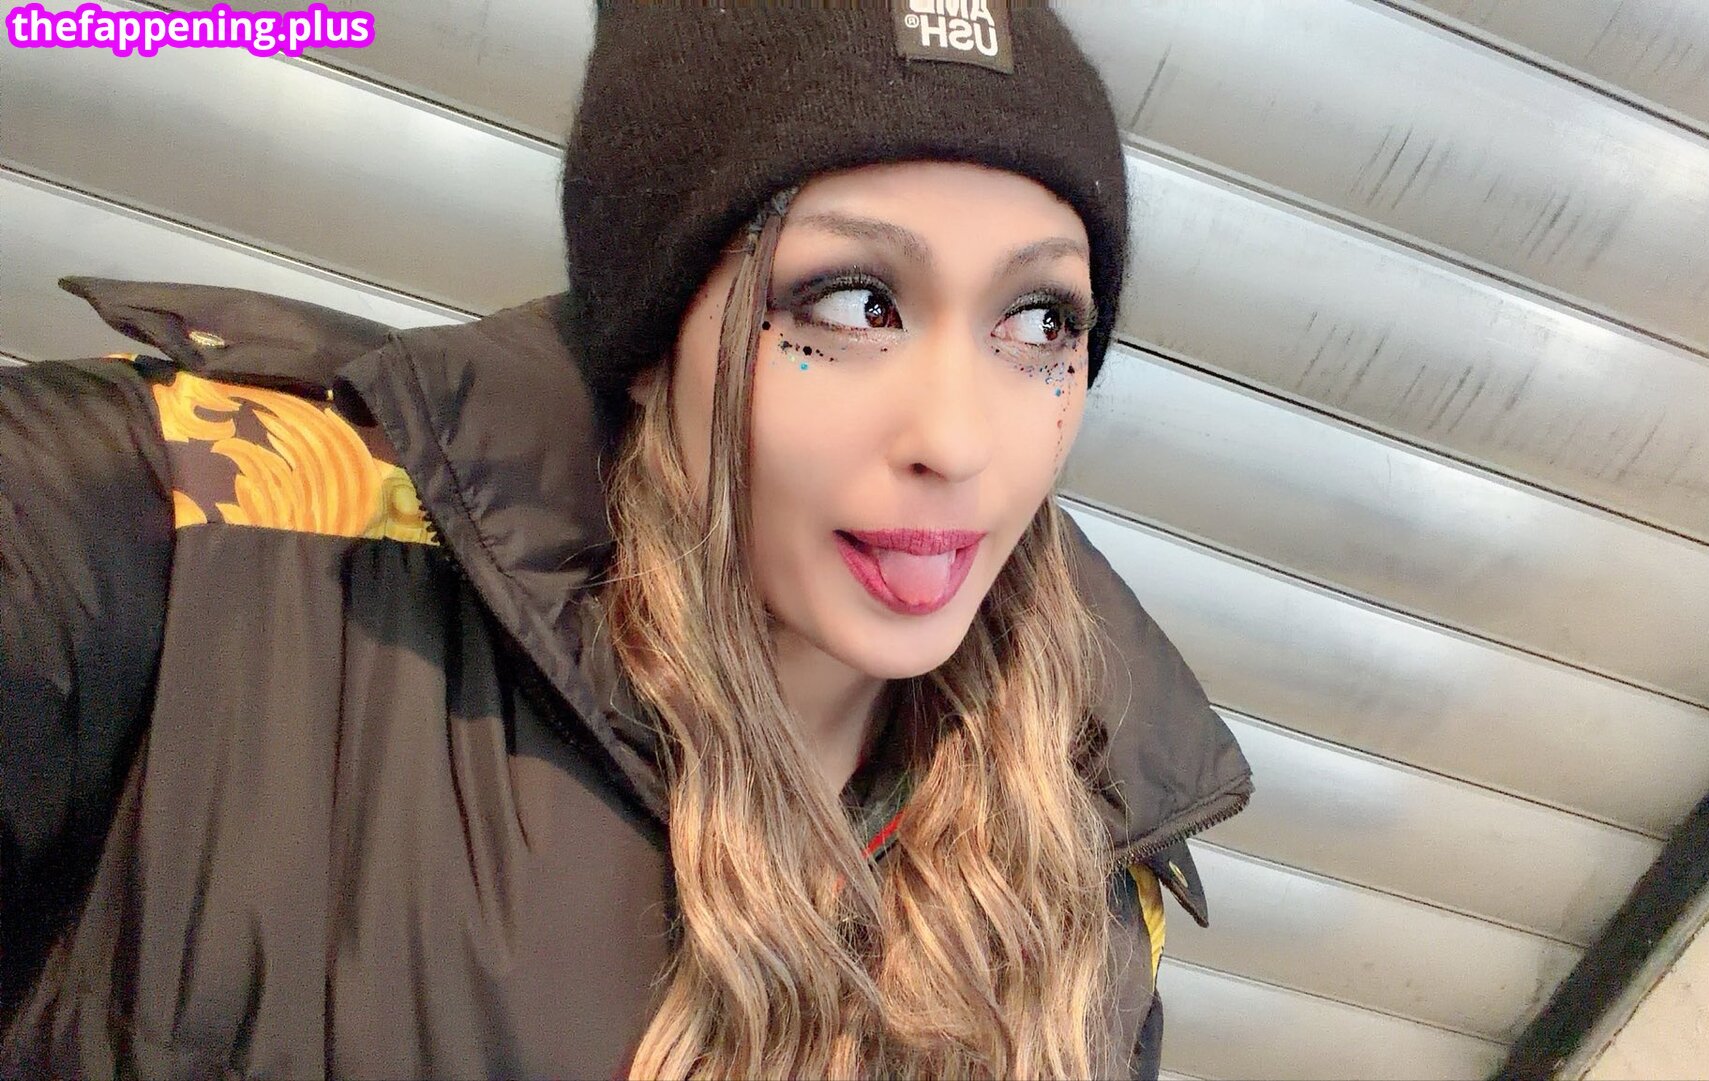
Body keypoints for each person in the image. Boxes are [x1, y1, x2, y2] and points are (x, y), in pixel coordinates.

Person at [0, 5, 1251, 1078]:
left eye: (1039, 320)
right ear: (652, 335)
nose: (960, 441)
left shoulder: (1094, 864)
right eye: (855, 302)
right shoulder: (193, 547)